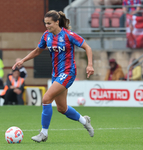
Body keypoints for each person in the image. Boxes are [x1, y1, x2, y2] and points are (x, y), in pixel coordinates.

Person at [13, 10, 95, 143]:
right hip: (56, 74)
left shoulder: (68, 35)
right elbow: (38, 50)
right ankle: (84, 120)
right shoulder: (46, 36)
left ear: (57, 22)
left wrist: (90, 65)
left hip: (68, 72)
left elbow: (87, 47)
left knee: (46, 99)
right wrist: (23, 60)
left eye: (49, 23)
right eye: (45, 23)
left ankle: (43, 133)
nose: (47, 26)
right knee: (62, 108)